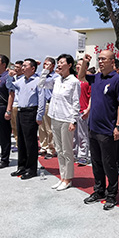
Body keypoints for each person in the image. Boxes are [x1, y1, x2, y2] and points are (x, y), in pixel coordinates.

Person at [78, 51, 119, 210]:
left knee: (109, 164)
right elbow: (81, 76)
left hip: (107, 130)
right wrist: (85, 62)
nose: (100, 61)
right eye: (99, 59)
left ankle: (111, 194)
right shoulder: (96, 77)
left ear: (112, 62)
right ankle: (99, 190)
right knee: (96, 162)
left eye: (103, 59)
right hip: (93, 127)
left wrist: (118, 125)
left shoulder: (118, 80)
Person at [40, 54, 81, 190]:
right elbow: (41, 84)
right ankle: (62, 177)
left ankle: (68, 178)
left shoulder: (74, 82)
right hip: (55, 117)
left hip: (66, 119)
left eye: (62, 62)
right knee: (59, 149)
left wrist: (73, 120)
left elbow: (76, 102)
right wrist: (45, 70)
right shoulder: (57, 79)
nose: (59, 64)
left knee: (66, 150)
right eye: (58, 62)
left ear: (69, 65)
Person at [6, 58, 45, 179]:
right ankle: (21, 166)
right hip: (20, 111)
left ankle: (31, 169)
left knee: (30, 142)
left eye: (25, 66)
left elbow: (41, 99)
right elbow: (10, 86)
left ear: (33, 68)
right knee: (21, 141)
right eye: (22, 66)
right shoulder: (21, 80)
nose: (22, 68)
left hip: (31, 111)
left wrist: (39, 115)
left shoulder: (38, 81)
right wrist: (10, 77)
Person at [74, 58, 91, 166]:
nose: (78, 66)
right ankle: (74, 154)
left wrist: (88, 109)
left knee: (83, 135)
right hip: (73, 112)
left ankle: (83, 156)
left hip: (83, 111)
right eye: (77, 64)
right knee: (73, 136)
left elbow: (92, 96)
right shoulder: (73, 79)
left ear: (86, 67)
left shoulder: (88, 80)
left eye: (80, 64)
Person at [38, 57, 57, 159]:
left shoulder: (55, 76)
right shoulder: (41, 75)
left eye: (47, 64)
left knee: (50, 128)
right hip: (41, 103)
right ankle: (43, 146)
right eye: (44, 64)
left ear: (53, 66)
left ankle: (51, 148)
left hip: (50, 103)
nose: (45, 66)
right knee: (41, 127)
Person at [10, 60, 24, 152]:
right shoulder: (13, 77)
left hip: (20, 104)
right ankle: (17, 142)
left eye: (18, 67)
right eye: (15, 67)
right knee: (14, 125)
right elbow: (9, 87)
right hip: (13, 103)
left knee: (20, 126)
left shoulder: (24, 78)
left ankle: (21, 144)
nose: (16, 69)